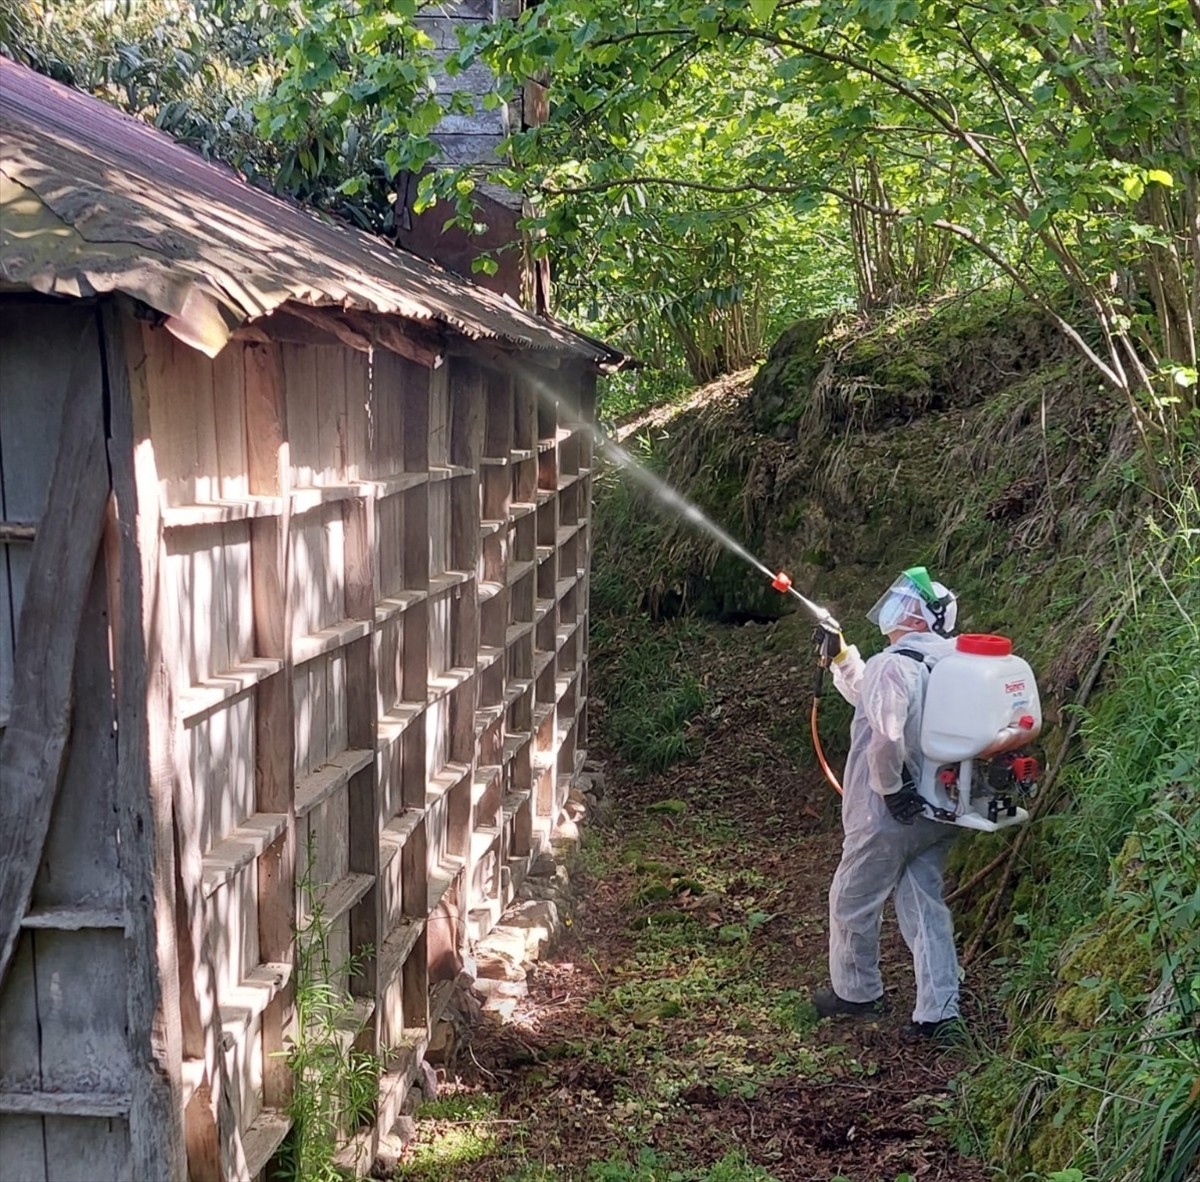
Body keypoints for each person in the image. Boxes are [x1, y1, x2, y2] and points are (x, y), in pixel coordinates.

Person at [811, 567, 965, 1042]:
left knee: (852, 899)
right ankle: (940, 1012)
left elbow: (886, 736)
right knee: (923, 903)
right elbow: (876, 697)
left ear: (920, 619)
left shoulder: (894, 664)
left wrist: (890, 789)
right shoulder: (950, 660)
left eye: (905, 602)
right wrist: (843, 656)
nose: (895, 606)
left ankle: (856, 994)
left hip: (889, 813)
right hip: (940, 808)